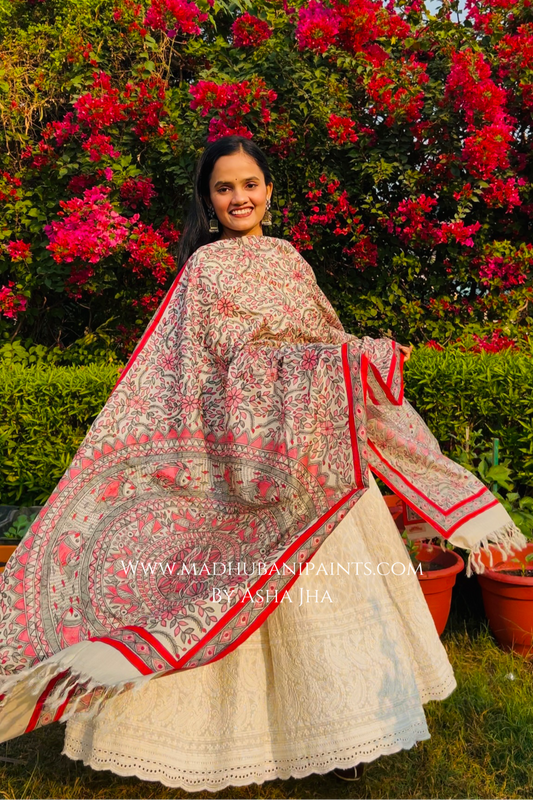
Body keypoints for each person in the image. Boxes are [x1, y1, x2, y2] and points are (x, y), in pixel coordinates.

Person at [0, 136, 526, 792]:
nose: (238, 197)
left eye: (249, 184)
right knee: (244, 594)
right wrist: (319, 366)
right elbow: (221, 363)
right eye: (223, 188)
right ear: (207, 200)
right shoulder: (205, 270)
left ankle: (346, 736)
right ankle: (216, 741)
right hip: (248, 459)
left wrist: (356, 358)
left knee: (332, 603)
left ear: (269, 190)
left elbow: (320, 337)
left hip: (318, 458)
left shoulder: (288, 260)